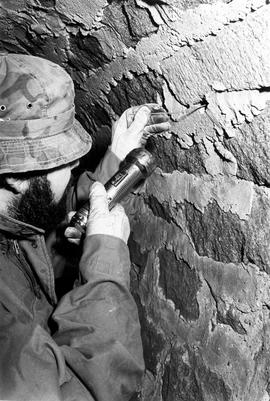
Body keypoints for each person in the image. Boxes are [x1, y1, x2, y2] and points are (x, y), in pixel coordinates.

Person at [0, 53, 170, 401]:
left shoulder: (11, 224)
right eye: (64, 159)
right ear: (16, 177)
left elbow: (34, 245)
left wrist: (116, 160)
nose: (77, 162)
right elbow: (84, 391)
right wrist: (105, 265)